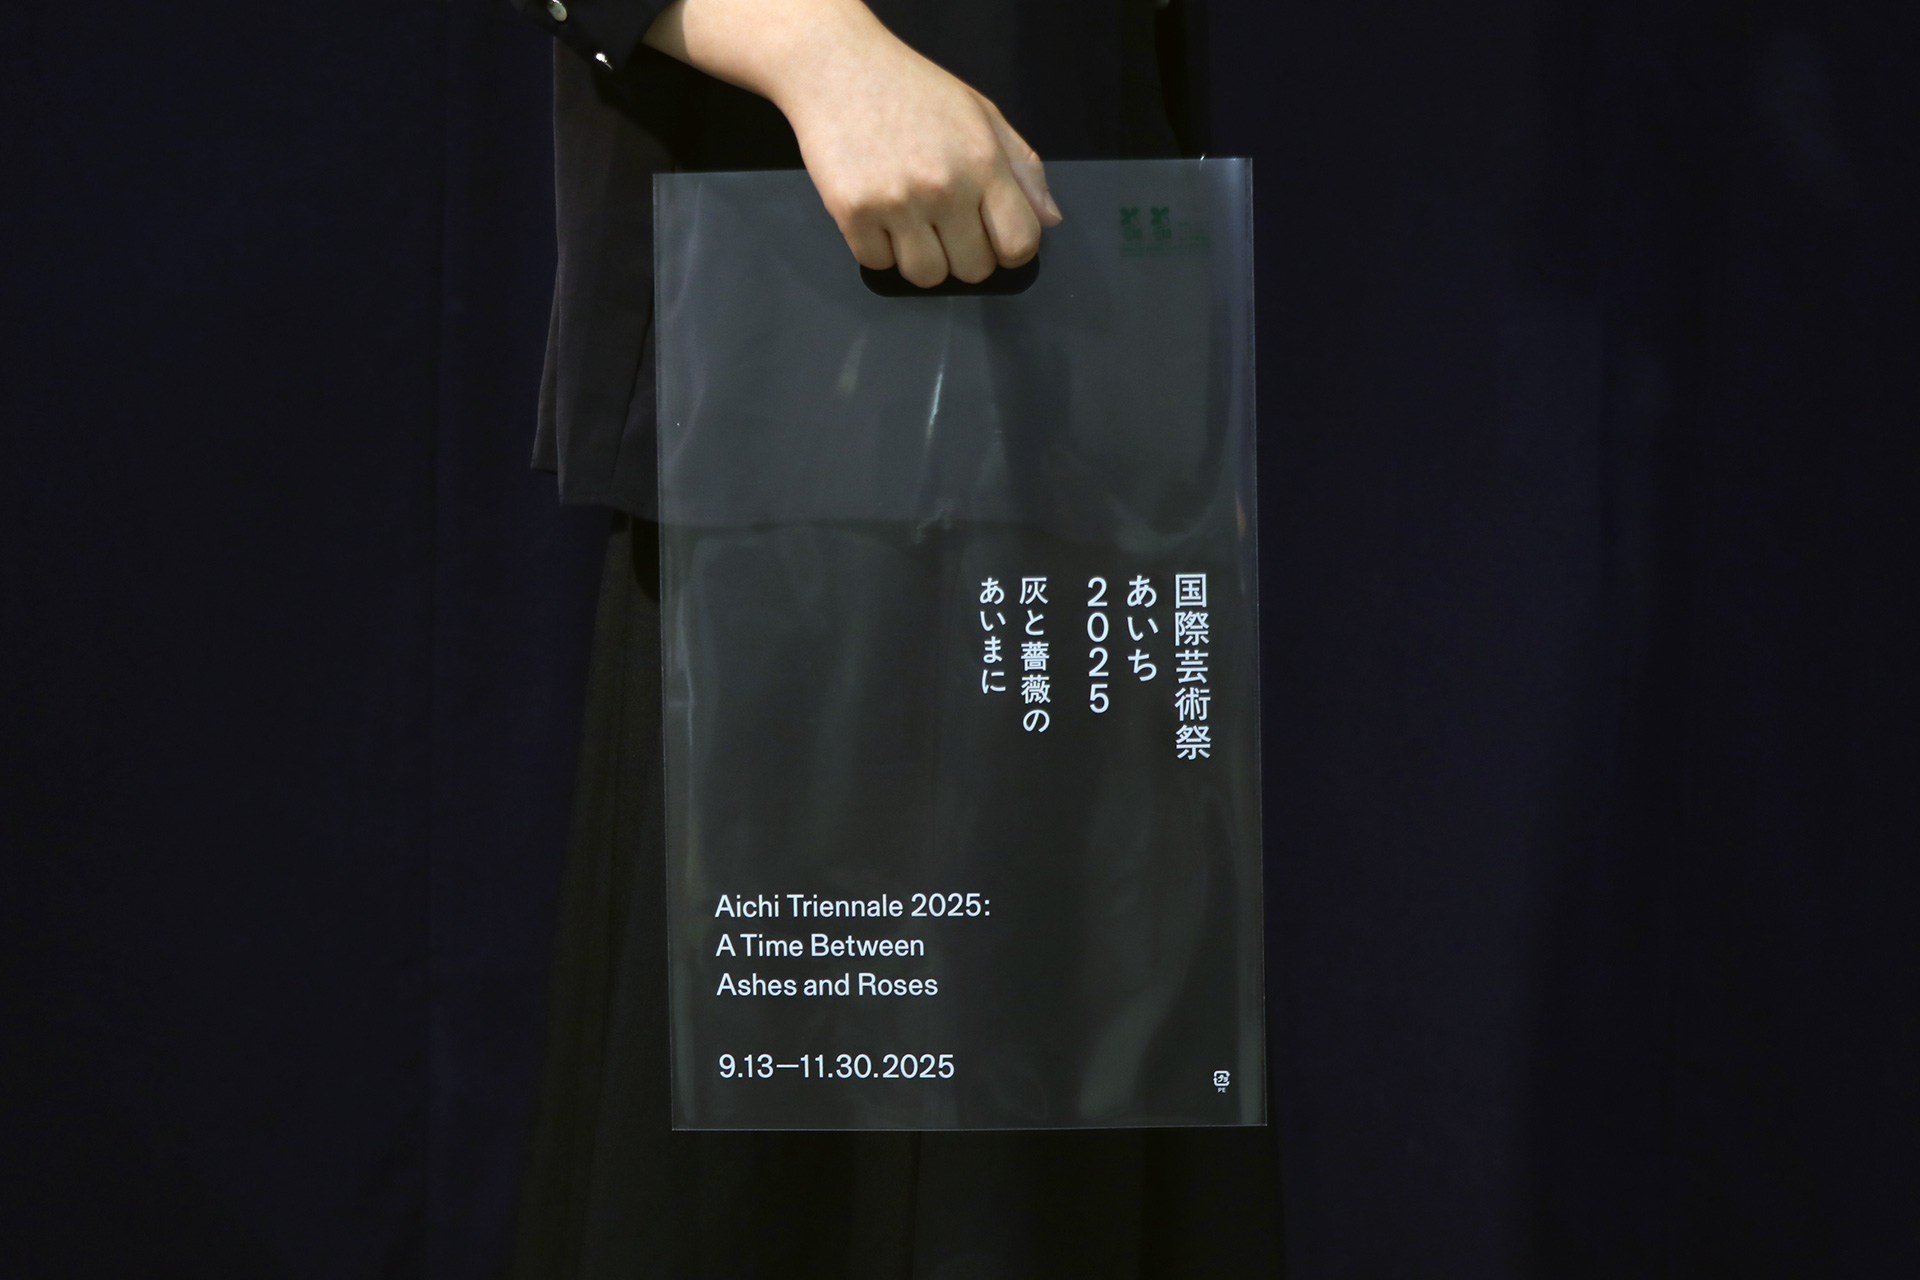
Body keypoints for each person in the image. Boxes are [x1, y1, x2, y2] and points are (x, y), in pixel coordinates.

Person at [505, 0, 1283, 1274]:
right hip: (793, 395)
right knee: (775, 1179)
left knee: (1069, 1154)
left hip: (1087, 396)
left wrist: (1173, 382)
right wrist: (817, 50)